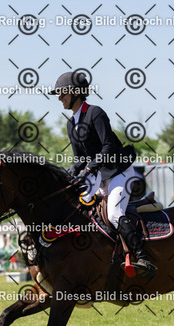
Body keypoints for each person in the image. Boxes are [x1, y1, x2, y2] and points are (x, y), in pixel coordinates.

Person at [49, 71, 157, 278]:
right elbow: (79, 159)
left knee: (114, 214)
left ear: (75, 92)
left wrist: (89, 168)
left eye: (62, 93)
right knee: (79, 210)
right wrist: (68, 175)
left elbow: (108, 147)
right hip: (98, 176)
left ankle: (143, 258)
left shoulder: (95, 113)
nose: (59, 98)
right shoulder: (71, 124)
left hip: (118, 171)